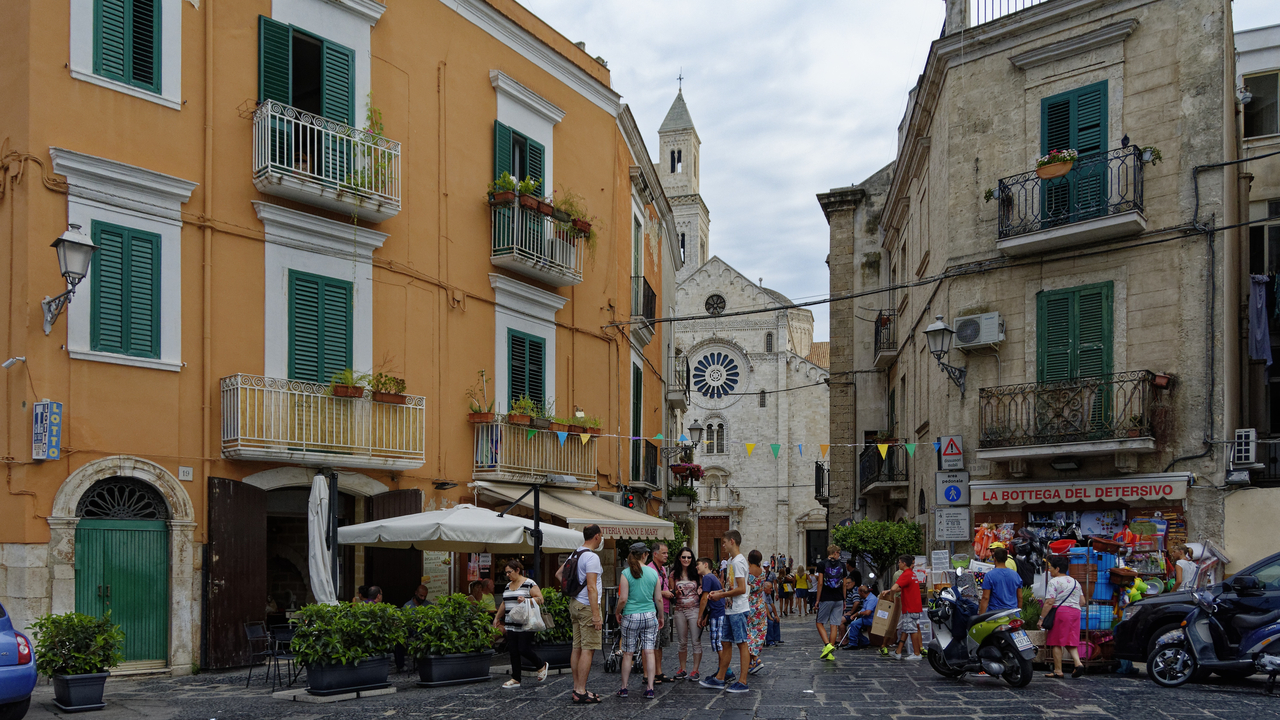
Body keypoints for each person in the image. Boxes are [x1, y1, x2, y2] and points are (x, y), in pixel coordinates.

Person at [700, 530, 751, 693]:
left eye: (724, 542)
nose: (723, 545)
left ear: (732, 542)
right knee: (726, 642)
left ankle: (743, 681)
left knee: (742, 643)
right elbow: (732, 586)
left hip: (738, 609)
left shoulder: (738, 562)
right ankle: (720, 677)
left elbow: (742, 589)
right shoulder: (731, 561)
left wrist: (721, 594)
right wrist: (720, 592)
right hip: (730, 609)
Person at [561, 523, 604, 704]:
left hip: (575, 604)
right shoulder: (592, 558)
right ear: (596, 536)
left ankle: (577, 687)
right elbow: (592, 587)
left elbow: (559, 574)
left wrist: (575, 590)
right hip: (587, 606)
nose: (601, 538)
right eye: (601, 535)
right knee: (588, 648)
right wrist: (596, 615)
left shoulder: (575, 553)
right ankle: (580, 690)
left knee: (577, 647)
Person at [615, 543, 664, 699]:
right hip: (650, 614)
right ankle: (650, 688)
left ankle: (624, 688)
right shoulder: (653, 573)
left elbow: (623, 599)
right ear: (645, 555)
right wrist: (661, 616)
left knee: (628, 653)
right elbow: (659, 599)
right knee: (649, 651)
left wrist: (617, 612)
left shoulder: (626, 573)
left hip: (631, 615)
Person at [493, 559, 550, 689]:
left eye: (509, 572)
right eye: (506, 573)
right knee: (513, 651)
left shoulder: (529, 583)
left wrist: (527, 600)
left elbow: (540, 599)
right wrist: (497, 617)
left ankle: (541, 665)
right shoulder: (508, 586)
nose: (507, 575)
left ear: (517, 570)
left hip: (525, 623)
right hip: (510, 623)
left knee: (523, 648)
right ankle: (516, 678)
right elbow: (504, 603)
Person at [1040, 555, 1084, 679]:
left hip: (1061, 613)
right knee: (1070, 640)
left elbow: (1049, 601)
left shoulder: (1054, 582)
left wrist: (1041, 618)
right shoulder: (1076, 582)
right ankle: (1078, 663)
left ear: (1057, 569)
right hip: (1075, 612)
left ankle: (1058, 670)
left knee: (1056, 642)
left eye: (1051, 568)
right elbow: (1082, 601)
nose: (1049, 570)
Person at [670, 547, 703, 681]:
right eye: (684, 557)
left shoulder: (696, 573)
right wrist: (675, 593)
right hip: (679, 610)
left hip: (694, 609)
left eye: (689, 557)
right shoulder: (673, 574)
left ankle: (695, 670)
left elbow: (702, 587)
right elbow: (671, 592)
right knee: (682, 641)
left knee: (696, 640)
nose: (686, 559)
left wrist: (701, 589)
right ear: (679, 558)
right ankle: (682, 668)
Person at [882, 555, 923, 661]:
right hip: (913, 606)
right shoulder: (912, 574)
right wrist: (889, 591)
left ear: (904, 564)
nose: (898, 564)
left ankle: (917, 653)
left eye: (899, 562)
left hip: (910, 606)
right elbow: (904, 588)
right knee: (906, 628)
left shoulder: (905, 574)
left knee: (912, 630)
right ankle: (898, 652)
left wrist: (891, 597)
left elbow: (894, 587)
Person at [646, 542, 674, 684]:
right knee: (652, 643)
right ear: (655, 554)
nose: (666, 555)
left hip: (664, 608)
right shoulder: (650, 569)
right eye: (664, 553)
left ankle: (659, 671)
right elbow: (649, 591)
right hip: (654, 608)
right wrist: (665, 593)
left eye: (667, 553)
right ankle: (649, 674)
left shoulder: (662, 569)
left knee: (661, 643)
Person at [695, 556, 724, 683]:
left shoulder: (707, 577)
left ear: (706, 565)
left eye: (698, 564)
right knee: (719, 643)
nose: (697, 567)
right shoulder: (713, 578)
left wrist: (700, 615)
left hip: (717, 613)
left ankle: (724, 672)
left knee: (718, 644)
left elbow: (704, 598)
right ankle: (721, 670)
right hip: (716, 612)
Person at [814, 545, 846, 660]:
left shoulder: (821, 564)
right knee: (834, 624)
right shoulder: (842, 565)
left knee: (819, 622)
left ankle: (827, 645)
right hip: (838, 598)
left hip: (826, 597)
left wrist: (817, 599)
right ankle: (830, 653)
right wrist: (844, 599)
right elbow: (844, 584)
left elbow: (820, 583)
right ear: (836, 553)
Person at [980, 546, 1023, 614]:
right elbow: (1020, 597)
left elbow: (985, 598)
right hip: (1012, 614)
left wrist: (981, 616)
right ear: (1006, 559)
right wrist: (1018, 613)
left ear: (994, 559)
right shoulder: (1015, 575)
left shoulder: (989, 575)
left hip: (995, 615)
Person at [746, 550, 767, 675]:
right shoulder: (763, 572)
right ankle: (750, 663)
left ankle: (755, 659)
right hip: (760, 604)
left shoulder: (747, 572)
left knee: (748, 632)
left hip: (748, 604)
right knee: (758, 632)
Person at [838, 576, 861, 649]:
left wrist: (851, 612)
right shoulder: (849, 591)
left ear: (853, 583)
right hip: (847, 612)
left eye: (848, 583)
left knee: (841, 620)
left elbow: (856, 602)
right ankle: (841, 637)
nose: (847, 585)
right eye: (846, 583)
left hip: (855, 614)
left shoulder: (855, 590)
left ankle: (845, 639)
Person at [763, 581, 782, 646]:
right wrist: (769, 617)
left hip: (769, 614)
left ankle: (776, 638)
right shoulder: (763, 594)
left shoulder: (768, 594)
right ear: (765, 588)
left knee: (776, 620)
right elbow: (765, 606)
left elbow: (772, 605)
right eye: (770, 588)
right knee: (770, 622)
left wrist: (776, 615)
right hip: (764, 615)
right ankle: (769, 640)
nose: (772, 589)